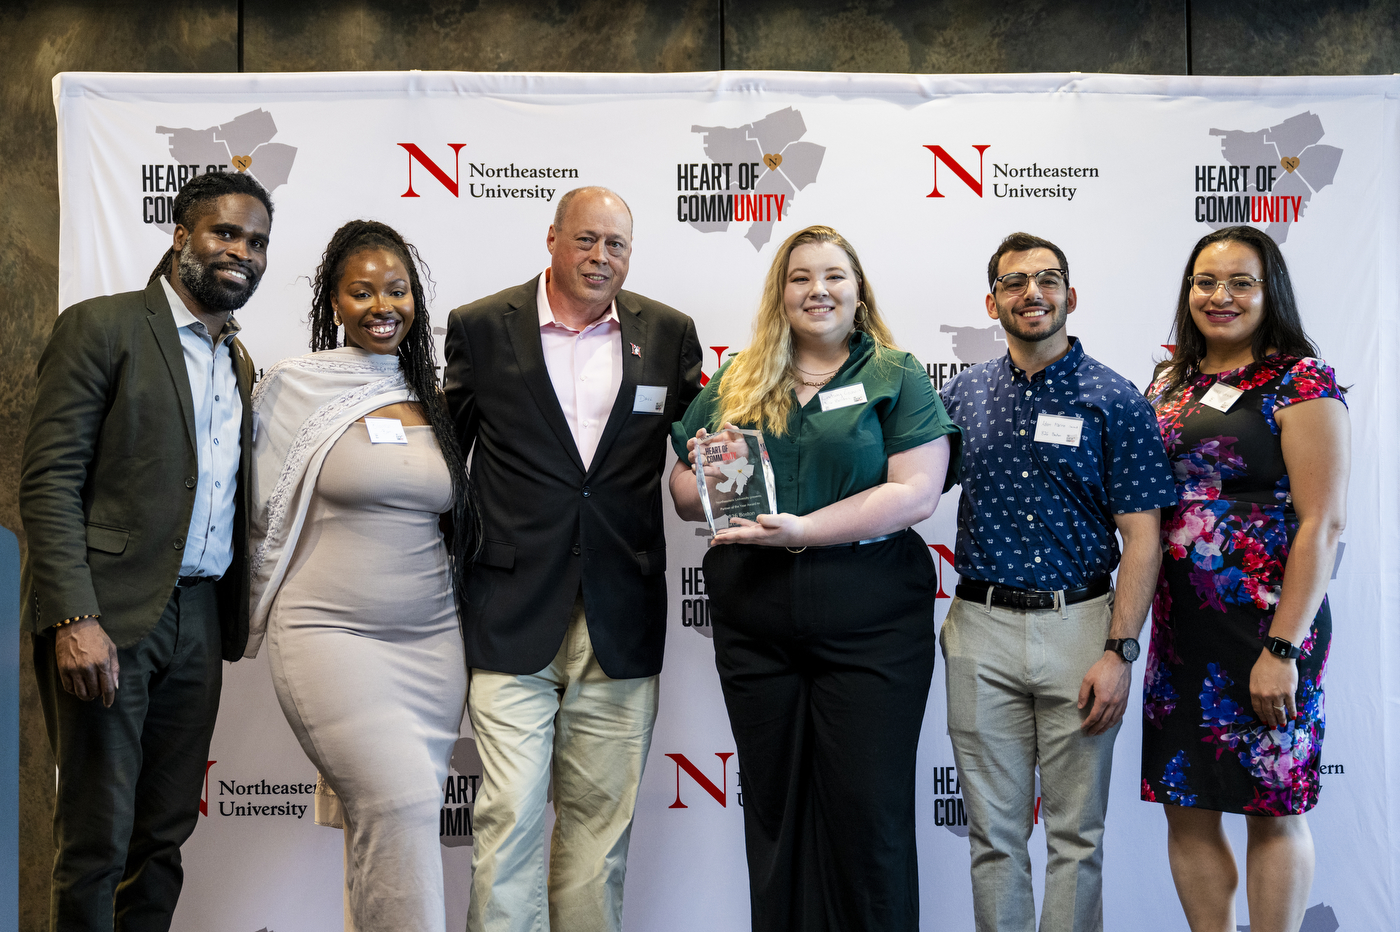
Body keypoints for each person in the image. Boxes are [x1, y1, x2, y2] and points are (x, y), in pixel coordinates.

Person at [670, 225, 959, 932]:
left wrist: (804, 528)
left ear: (858, 292)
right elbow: (681, 490)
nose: (817, 290)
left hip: (870, 621)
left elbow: (916, 493)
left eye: (833, 276)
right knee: (773, 810)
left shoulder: (896, 372)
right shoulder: (738, 377)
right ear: (781, 294)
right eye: (800, 277)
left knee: (868, 816)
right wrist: (709, 476)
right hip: (756, 623)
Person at [443, 186, 702, 932]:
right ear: (551, 238)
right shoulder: (482, 328)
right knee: (508, 821)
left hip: (620, 616)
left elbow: (700, 447)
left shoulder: (668, 332)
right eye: (586, 240)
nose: (600, 257)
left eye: (616, 245)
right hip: (511, 612)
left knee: (600, 838)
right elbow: (447, 459)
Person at [20, 169, 272, 930]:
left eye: (257, 241)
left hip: (199, 616)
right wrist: (73, 617)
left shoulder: (239, 362)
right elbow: (49, 481)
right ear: (180, 235)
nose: (242, 252)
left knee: (163, 835)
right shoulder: (102, 327)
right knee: (97, 835)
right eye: (225, 233)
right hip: (107, 615)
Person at [938, 232, 1177, 932]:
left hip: (1082, 629)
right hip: (979, 629)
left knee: (1077, 838)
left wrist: (1120, 651)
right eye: (1014, 283)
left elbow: (1143, 538)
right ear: (992, 302)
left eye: (1046, 279)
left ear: (1071, 296)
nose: (1031, 293)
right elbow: (904, 487)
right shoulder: (961, 394)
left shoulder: (1115, 398)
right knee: (994, 839)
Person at [245, 220, 477, 931]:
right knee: (400, 806)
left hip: (433, 642)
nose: (384, 305)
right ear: (334, 304)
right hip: (330, 636)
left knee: (390, 822)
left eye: (398, 289)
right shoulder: (294, 388)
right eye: (363, 291)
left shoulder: (431, 396)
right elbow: (254, 512)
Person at [1141, 226, 1348, 932]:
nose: (1219, 297)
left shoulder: (1300, 380)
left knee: (1273, 806)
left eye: (1240, 283)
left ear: (1270, 293)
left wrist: (1284, 649)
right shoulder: (1168, 382)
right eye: (1205, 282)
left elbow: (1323, 522)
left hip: (1267, 625)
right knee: (1186, 802)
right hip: (1180, 630)